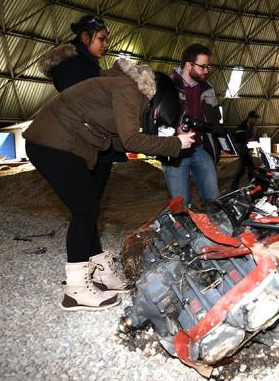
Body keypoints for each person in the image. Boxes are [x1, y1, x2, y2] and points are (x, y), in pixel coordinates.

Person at [23, 58, 195, 311]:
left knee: (89, 208)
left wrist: (164, 148)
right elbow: (130, 140)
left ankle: (101, 273)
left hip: (60, 144)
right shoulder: (130, 90)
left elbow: (118, 141)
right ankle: (76, 291)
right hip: (52, 143)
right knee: (85, 210)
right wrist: (175, 144)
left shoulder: (126, 88)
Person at [37, 14, 125, 201]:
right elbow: (89, 105)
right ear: (86, 38)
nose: (106, 44)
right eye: (101, 39)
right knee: (88, 203)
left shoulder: (84, 65)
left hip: (93, 142)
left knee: (90, 202)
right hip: (88, 143)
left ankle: (88, 229)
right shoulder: (73, 67)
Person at [164, 43, 223, 205]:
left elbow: (215, 119)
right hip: (176, 153)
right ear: (189, 65)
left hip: (200, 149)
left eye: (208, 67)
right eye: (202, 67)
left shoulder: (207, 88)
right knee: (182, 205)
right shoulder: (167, 86)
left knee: (213, 200)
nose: (206, 71)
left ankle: (213, 227)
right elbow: (157, 122)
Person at [230, 110, 260, 190]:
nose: (256, 121)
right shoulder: (243, 125)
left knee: (245, 167)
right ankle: (251, 183)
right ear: (250, 118)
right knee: (249, 166)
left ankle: (236, 185)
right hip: (240, 145)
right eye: (255, 119)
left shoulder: (251, 126)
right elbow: (240, 136)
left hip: (244, 146)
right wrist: (248, 139)